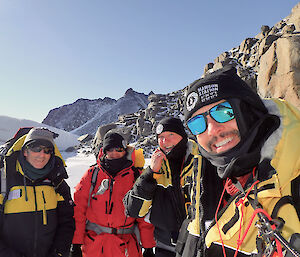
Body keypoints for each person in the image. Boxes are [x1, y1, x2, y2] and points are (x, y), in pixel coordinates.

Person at [176, 66, 300, 257]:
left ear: (248, 109)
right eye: (197, 124)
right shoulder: (204, 179)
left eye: (223, 112)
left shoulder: (294, 179)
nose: (212, 130)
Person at [70, 131, 156, 257]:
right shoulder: (92, 174)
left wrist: (148, 247)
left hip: (126, 247)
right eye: (109, 149)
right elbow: (79, 210)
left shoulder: (137, 176)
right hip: (93, 246)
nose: (114, 153)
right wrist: (76, 243)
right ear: (104, 151)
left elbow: (144, 214)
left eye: (118, 149)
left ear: (125, 150)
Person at [124, 117, 199, 257]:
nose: (165, 141)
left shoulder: (201, 160)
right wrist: (150, 174)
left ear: (182, 136)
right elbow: (133, 210)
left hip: (200, 247)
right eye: (161, 137)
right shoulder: (155, 168)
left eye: (171, 135)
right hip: (165, 247)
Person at [0, 127, 75, 257]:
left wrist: (59, 252)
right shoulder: (4, 180)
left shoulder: (57, 183)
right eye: (36, 148)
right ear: (25, 151)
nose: (42, 155)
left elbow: (67, 222)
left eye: (47, 150)